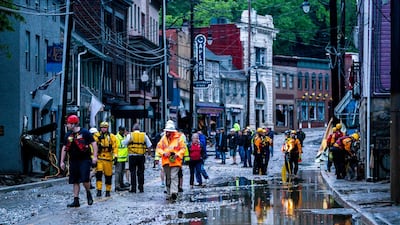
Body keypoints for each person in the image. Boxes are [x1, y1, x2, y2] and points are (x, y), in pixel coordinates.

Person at [60, 115, 98, 207]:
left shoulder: (85, 133)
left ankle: (88, 193)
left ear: (73, 124)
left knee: (85, 179)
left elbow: (94, 144)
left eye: (68, 124)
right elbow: (64, 147)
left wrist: (95, 157)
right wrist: (62, 161)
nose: (67, 125)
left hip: (84, 159)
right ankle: (76, 200)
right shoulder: (68, 135)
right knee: (75, 180)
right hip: (73, 160)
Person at [156, 120, 187, 201]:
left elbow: (183, 148)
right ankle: (169, 193)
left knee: (174, 176)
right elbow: (158, 148)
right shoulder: (163, 139)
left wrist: (177, 154)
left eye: (169, 131)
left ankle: (174, 192)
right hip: (166, 161)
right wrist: (163, 153)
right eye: (166, 131)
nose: (167, 133)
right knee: (168, 177)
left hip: (175, 161)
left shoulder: (179, 138)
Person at [123, 124, 152, 193]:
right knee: (141, 172)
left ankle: (133, 188)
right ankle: (141, 187)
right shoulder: (144, 135)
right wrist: (149, 154)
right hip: (141, 156)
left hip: (132, 156)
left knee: (132, 172)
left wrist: (126, 136)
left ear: (133, 129)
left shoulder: (130, 135)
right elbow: (149, 145)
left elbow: (124, 143)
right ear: (139, 129)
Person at [93, 121, 118, 197]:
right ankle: (99, 190)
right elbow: (93, 146)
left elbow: (115, 147)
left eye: (105, 127)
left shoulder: (112, 137)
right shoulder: (96, 136)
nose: (103, 129)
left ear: (107, 128)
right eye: (102, 127)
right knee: (99, 174)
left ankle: (108, 190)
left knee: (108, 176)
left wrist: (115, 156)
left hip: (108, 158)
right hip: (99, 158)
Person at [114, 126, 130, 191]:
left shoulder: (124, 137)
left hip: (123, 158)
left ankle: (121, 184)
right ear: (120, 130)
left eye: (124, 131)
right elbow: (115, 148)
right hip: (118, 158)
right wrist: (115, 157)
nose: (124, 132)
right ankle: (117, 186)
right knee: (118, 172)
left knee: (122, 172)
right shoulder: (116, 137)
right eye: (123, 131)